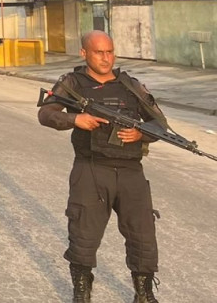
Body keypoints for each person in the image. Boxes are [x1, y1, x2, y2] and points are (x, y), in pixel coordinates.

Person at [38, 30, 165, 303]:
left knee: (142, 235)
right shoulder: (72, 84)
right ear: (84, 53)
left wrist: (141, 134)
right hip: (91, 168)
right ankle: (82, 291)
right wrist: (75, 119)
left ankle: (144, 294)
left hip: (131, 171)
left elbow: (160, 125)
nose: (106, 58)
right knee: (84, 233)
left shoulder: (131, 85)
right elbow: (46, 113)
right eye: (99, 52)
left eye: (110, 52)